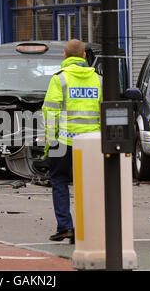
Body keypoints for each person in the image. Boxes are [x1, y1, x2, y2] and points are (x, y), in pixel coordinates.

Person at [42, 39, 102, 243]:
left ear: (65, 57)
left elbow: (51, 112)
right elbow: (105, 112)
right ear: (85, 56)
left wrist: (50, 142)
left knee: (59, 181)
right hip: (92, 142)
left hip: (65, 141)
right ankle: (89, 228)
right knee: (89, 185)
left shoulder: (60, 79)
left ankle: (65, 227)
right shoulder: (98, 80)